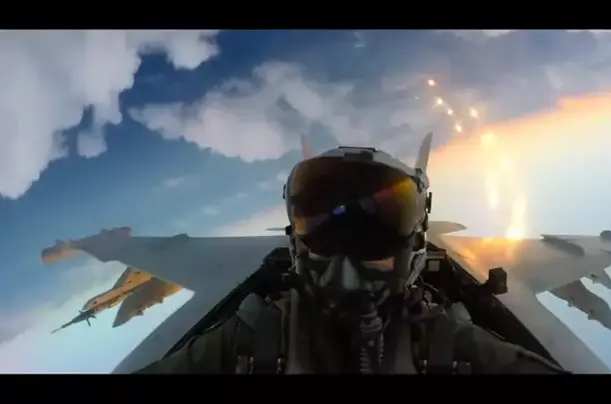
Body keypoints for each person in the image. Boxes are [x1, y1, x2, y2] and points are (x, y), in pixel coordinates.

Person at [136, 155, 567, 374]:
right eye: (327, 238)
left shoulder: (447, 344)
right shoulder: (252, 338)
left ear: (414, 248)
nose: (345, 267)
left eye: (372, 241)